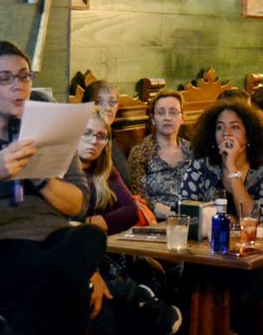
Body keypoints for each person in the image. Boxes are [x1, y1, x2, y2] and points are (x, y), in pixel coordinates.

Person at [0, 40, 106, 335]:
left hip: (56, 242)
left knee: (91, 235)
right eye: (4, 78)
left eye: (24, 76)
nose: (18, 86)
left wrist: (41, 178)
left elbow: (79, 203)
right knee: (70, 291)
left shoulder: (51, 123)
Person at [179, 100, 263, 335]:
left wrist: (231, 168)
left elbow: (253, 218)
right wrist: (228, 219)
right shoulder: (201, 163)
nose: (226, 133)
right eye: (219, 127)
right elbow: (185, 209)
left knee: (240, 294)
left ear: (249, 133)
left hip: (255, 257)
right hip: (206, 253)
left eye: (234, 127)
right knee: (190, 285)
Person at [78, 107, 182, 335]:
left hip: (111, 248)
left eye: (101, 136)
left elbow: (130, 212)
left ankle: (147, 305)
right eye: (86, 133)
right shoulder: (64, 172)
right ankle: (143, 301)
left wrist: (93, 221)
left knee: (154, 268)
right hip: (82, 254)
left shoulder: (104, 168)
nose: (93, 141)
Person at [129, 91, 192, 214]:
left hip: (194, 217)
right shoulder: (140, 153)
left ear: (183, 118)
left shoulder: (193, 151)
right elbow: (140, 199)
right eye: (161, 112)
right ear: (153, 119)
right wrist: (175, 215)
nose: (167, 117)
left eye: (173, 112)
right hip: (156, 220)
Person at [82, 80, 132, 188]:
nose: (107, 108)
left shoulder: (112, 138)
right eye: (98, 102)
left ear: (117, 106)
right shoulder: (86, 143)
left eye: (112, 102)